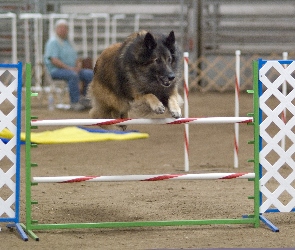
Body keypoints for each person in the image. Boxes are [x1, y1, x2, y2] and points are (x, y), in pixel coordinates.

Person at [44, 19, 93, 111]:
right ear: (56, 29)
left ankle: (86, 99)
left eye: (65, 28)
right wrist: (69, 68)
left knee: (90, 74)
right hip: (56, 71)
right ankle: (74, 102)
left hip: (72, 69)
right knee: (73, 75)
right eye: (61, 28)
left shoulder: (70, 42)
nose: (63, 30)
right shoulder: (53, 42)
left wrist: (78, 66)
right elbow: (54, 60)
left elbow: (77, 57)